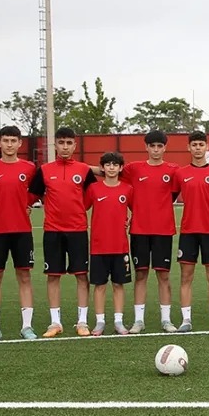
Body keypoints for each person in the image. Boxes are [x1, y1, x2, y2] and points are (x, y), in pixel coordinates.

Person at [28, 126, 92, 338]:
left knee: (82, 276)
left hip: (78, 230)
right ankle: (55, 323)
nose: (65, 147)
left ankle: (82, 322)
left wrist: (77, 210)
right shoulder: (45, 170)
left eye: (69, 143)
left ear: (75, 145)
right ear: (55, 145)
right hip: (53, 231)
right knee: (53, 276)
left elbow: (91, 196)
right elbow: (33, 195)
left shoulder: (84, 170)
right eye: (61, 143)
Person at [0, 125, 38, 340]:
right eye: (5, 140)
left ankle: (27, 326)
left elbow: (35, 191)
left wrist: (28, 202)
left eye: (13, 141)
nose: (9, 144)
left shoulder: (29, 167)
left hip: (22, 230)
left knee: (24, 276)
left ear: (19, 143)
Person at [174, 130, 209, 331]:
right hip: (188, 232)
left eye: (201, 144)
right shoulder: (180, 174)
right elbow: (166, 199)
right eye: (194, 145)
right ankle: (186, 320)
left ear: (207, 147)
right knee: (186, 276)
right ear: (188, 147)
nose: (198, 148)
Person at [126, 130, 180, 333]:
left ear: (165, 147)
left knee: (163, 275)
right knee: (141, 274)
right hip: (139, 230)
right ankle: (138, 321)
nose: (156, 150)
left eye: (160, 146)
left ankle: (166, 320)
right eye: (152, 146)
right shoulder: (134, 169)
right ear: (146, 147)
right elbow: (108, 171)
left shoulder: (173, 170)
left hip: (163, 231)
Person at [86, 151, 134, 336]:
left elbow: (135, 209)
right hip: (98, 246)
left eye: (115, 165)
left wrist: (129, 218)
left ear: (120, 168)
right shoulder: (93, 189)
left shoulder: (127, 189)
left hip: (120, 246)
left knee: (118, 285)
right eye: (108, 165)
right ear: (103, 168)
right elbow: (81, 206)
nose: (111, 168)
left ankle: (119, 322)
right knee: (99, 285)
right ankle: (100, 322)